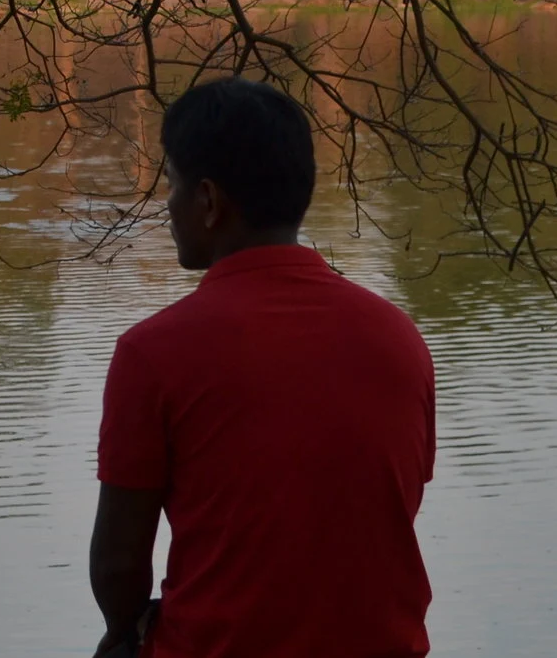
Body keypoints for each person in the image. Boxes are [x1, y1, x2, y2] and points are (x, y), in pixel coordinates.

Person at [90, 79, 436, 658]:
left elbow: (119, 565)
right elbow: (383, 508)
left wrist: (123, 632)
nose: (167, 208)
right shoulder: (400, 339)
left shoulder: (153, 353)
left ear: (207, 201)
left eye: (171, 186)